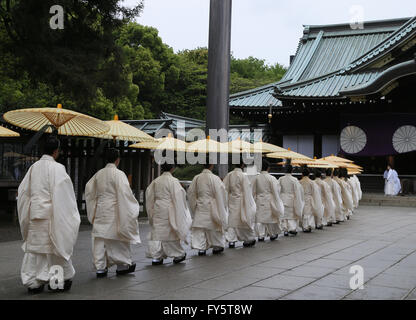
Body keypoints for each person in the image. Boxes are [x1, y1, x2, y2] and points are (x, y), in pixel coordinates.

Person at [17, 136, 80, 294]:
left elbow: (24, 192)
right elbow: (64, 195)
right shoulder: (58, 169)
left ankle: (34, 282)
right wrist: (67, 215)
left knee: (36, 250)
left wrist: (27, 211)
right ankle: (57, 281)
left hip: (35, 214)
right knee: (55, 249)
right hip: (52, 214)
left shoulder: (34, 167)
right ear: (56, 151)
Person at [85, 148, 140, 278]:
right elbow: (125, 194)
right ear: (117, 159)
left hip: (101, 209)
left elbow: (89, 190)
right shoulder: (119, 174)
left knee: (100, 239)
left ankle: (100, 267)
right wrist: (130, 208)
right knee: (117, 238)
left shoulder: (98, 174)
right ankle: (122, 266)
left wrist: (95, 205)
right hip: (115, 210)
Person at [145, 163, 192, 265]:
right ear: (172, 168)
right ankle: (177, 254)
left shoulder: (156, 181)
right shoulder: (174, 181)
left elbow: (149, 197)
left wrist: (151, 211)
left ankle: (156, 256)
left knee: (158, 231)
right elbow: (179, 197)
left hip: (158, 208)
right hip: (169, 209)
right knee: (170, 232)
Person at [187, 159, 228, 256]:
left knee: (200, 228)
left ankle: (201, 248)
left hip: (200, 204)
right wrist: (221, 206)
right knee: (214, 227)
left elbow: (191, 193)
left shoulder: (197, 178)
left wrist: (194, 205)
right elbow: (222, 193)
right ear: (212, 165)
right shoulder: (215, 178)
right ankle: (217, 245)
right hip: (212, 205)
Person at [224, 160, 257, 248]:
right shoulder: (243, 176)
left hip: (232, 200)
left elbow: (224, 189)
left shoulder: (229, 175)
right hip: (242, 201)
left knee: (232, 220)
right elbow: (247, 190)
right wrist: (250, 204)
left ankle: (231, 240)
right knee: (243, 220)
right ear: (242, 165)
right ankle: (248, 238)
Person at [252, 159, 284, 241]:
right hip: (269, 200)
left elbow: (253, 191)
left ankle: (260, 235)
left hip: (259, 200)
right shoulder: (272, 178)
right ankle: (272, 234)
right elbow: (276, 190)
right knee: (270, 218)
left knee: (260, 219)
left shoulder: (256, 178)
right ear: (268, 168)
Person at [277, 165, 304, 236]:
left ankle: (285, 229)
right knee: (291, 215)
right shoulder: (294, 179)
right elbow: (297, 191)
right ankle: (292, 228)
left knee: (284, 215)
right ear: (292, 171)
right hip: (291, 198)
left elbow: (278, 189)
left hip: (283, 198)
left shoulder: (281, 179)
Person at [299, 167, 324, 232]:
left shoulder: (299, 182)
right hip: (309, 198)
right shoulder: (311, 182)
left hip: (301, 198)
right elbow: (315, 192)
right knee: (309, 212)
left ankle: (304, 226)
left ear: (302, 174)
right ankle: (308, 225)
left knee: (303, 212)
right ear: (309, 174)